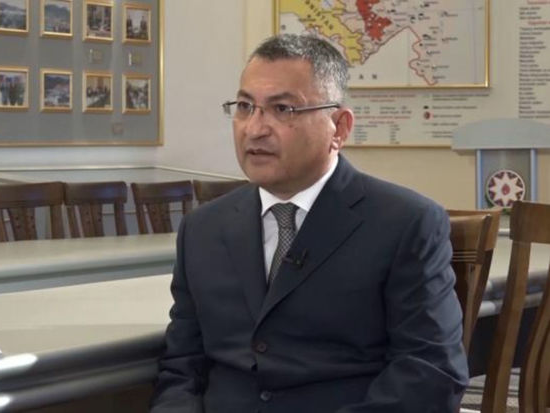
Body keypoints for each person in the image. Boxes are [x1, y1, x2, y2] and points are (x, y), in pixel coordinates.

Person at [150, 34, 468, 412]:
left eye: (282, 109)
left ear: (339, 128)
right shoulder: (201, 230)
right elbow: (182, 368)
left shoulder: (406, 223)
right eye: (245, 106)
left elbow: (431, 372)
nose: (254, 128)